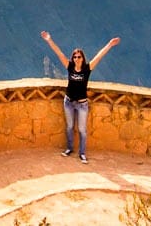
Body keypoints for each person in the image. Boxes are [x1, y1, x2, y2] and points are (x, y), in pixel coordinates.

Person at [40, 31, 119, 163]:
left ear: (83, 58)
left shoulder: (87, 69)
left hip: (82, 104)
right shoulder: (69, 66)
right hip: (69, 102)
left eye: (79, 57)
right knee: (70, 126)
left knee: (82, 129)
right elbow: (59, 53)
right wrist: (49, 40)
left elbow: (98, 57)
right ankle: (69, 148)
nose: (77, 59)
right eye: (75, 57)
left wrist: (109, 45)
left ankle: (82, 154)